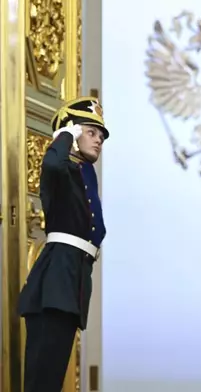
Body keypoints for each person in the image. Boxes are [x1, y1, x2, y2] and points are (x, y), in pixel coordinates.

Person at [18, 97, 109, 392]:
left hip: (72, 284)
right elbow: (53, 165)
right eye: (91, 132)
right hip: (54, 284)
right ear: (71, 133)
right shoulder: (60, 171)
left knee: (52, 381)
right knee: (41, 383)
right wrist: (65, 134)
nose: (98, 140)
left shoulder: (84, 174)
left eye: (101, 136)